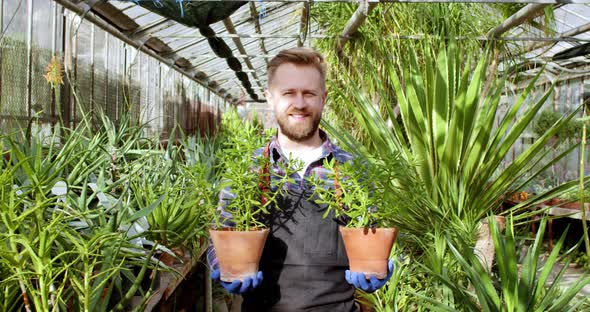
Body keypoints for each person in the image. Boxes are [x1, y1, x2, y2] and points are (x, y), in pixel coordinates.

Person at [207, 47, 393, 311]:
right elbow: (223, 231)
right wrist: (222, 267)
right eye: (288, 93)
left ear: (323, 99)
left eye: (308, 93)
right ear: (270, 99)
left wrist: (378, 267)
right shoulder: (247, 168)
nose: (300, 103)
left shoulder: (352, 168)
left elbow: (373, 231)